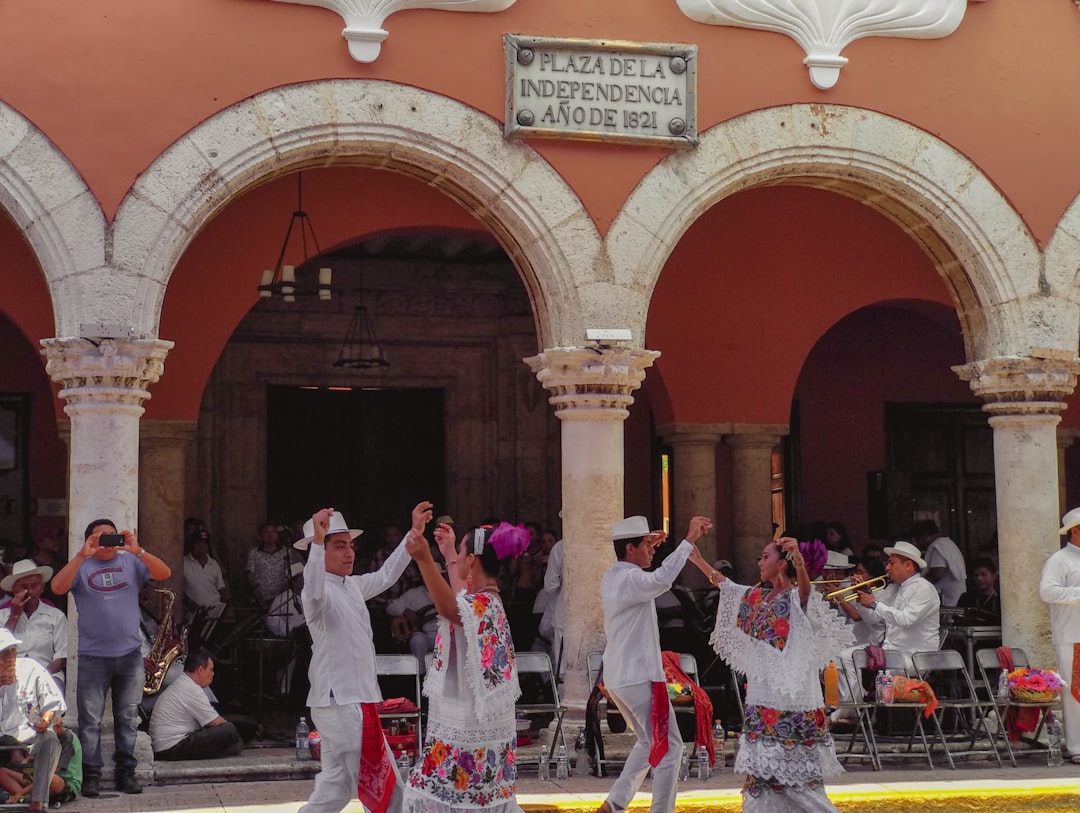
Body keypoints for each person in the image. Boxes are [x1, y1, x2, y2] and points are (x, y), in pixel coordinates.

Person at [692, 537, 852, 810]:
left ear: (781, 564)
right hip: (763, 695)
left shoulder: (796, 598)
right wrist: (696, 559)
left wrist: (799, 561)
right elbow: (726, 586)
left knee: (801, 785)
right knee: (761, 781)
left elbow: (804, 593)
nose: (758, 562)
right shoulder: (757, 598)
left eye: (764, 557)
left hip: (793, 700)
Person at [298, 501, 431, 813]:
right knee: (385, 782)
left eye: (350, 546)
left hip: (354, 701)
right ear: (320, 550)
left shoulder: (353, 586)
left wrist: (413, 532)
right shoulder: (316, 593)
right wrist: (317, 542)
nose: (349, 553)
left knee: (336, 788)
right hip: (339, 702)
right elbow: (314, 589)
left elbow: (386, 575)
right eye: (339, 546)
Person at [402, 520, 530, 813]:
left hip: (470, 720)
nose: (457, 557)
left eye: (461, 551)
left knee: (427, 792)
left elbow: (450, 607)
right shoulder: (487, 600)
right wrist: (448, 552)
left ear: (472, 559)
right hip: (475, 718)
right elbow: (460, 597)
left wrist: (424, 559)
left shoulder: (484, 604)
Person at [595, 514, 712, 813]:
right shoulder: (630, 578)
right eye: (647, 545)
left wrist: (652, 541)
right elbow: (661, 579)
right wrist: (687, 542)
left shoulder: (614, 575)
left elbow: (653, 574)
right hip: (636, 677)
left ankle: (614, 803)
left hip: (623, 677)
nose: (652, 550)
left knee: (648, 743)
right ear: (630, 549)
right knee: (671, 747)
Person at [50, 519, 172, 797]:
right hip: (93, 657)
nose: (106, 540)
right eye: (99, 536)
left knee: (128, 718)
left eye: (111, 535)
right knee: (90, 720)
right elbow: (57, 588)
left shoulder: (131, 562)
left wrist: (138, 550)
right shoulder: (81, 565)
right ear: (88, 539)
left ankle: (126, 773)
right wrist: (82, 554)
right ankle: (91, 775)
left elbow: (164, 572)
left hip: (130, 657)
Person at [0, 628, 66, 812]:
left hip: (27, 733)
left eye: (12, 650)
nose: (10, 657)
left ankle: (37, 801)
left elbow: (52, 703)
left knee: (51, 739)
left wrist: (45, 721)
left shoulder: (31, 668)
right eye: (4, 653)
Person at [1038, 507, 1080, 765]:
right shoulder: (1059, 559)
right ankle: (1076, 745)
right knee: (1074, 692)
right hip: (1072, 634)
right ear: (1075, 530)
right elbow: (1047, 592)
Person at [149, 649, 242, 761]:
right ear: (200, 670)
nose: (213, 674)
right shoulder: (191, 689)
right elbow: (216, 722)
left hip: (165, 747)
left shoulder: (183, 682)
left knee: (231, 734)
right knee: (229, 729)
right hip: (171, 748)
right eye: (211, 670)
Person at [0, 559, 68, 691]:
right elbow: (1, 648)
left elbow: (62, 657)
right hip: (10, 677)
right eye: (24, 587)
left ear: (42, 588)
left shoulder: (55, 616)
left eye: (35, 585)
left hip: (48, 675)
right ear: (14, 590)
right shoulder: (2, 616)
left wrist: (38, 676)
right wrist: (14, 616)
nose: (30, 591)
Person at [386, 583, 438, 675]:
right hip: (426, 636)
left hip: (444, 635)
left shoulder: (447, 591)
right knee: (417, 640)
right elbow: (391, 607)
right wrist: (405, 612)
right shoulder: (414, 594)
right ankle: (421, 675)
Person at [911, 520, 966, 607]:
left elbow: (937, 574)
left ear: (924, 535)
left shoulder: (938, 546)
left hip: (948, 600)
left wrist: (916, 586)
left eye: (917, 540)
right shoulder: (947, 543)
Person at [183, 529, 229, 632]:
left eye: (204, 544)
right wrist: (189, 602)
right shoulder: (183, 563)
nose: (201, 547)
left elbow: (221, 588)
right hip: (194, 614)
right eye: (197, 544)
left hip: (214, 612)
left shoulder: (213, 563)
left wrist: (224, 609)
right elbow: (177, 587)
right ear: (192, 545)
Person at [246, 522, 292, 609]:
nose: (270, 535)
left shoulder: (286, 551)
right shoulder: (254, 553)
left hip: (281, 599)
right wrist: (261, 601)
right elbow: (250, 576)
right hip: (260, 599)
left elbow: (291, 575)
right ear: (260, 536)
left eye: (273, 532)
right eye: (266, 532)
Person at [956, 557, 1001, 625]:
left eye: (983, 575)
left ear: (994, 576)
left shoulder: (1000, 600)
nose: (979, 578)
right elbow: (957, 621)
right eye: (976, 575)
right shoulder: (966, 598)